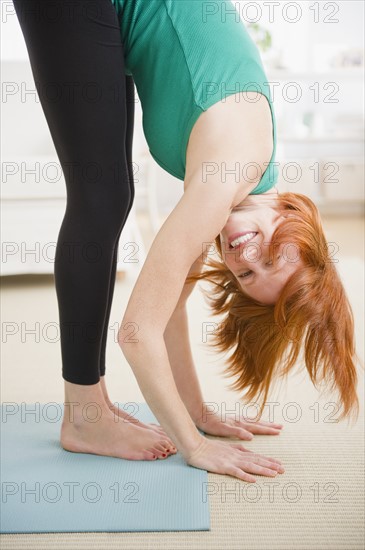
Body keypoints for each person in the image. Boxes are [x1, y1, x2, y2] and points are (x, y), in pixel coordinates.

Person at [12, 0, 359, 483]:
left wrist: (197, 412)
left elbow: (169, 308)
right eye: (272, 257)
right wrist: (194, 447)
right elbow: (137, 333)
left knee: (109, 193)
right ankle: (85, 416)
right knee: (101, 196)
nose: (245, 256)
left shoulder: (243, 188)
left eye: (246, 275)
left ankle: (89, 411)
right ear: (297, 219)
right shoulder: (230, 174)